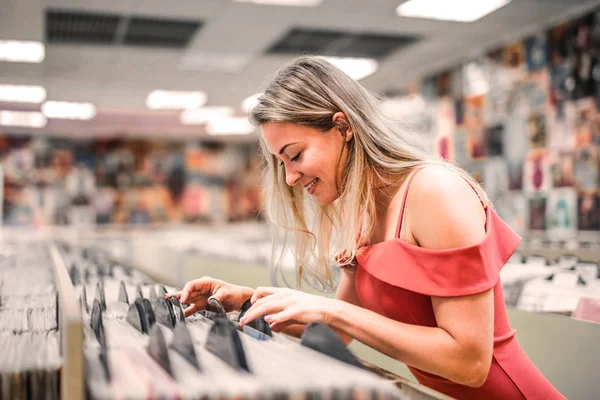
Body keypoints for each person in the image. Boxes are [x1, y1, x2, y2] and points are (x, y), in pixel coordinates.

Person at [170, 56, 564, 400]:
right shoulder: (363, 207)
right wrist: (246, 302)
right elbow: (337, 330)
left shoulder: (434, 191)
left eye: (295, 156)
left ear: (343, 127)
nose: (289, 178)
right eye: (281, 163)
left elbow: (470, 362)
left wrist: (332, 312)